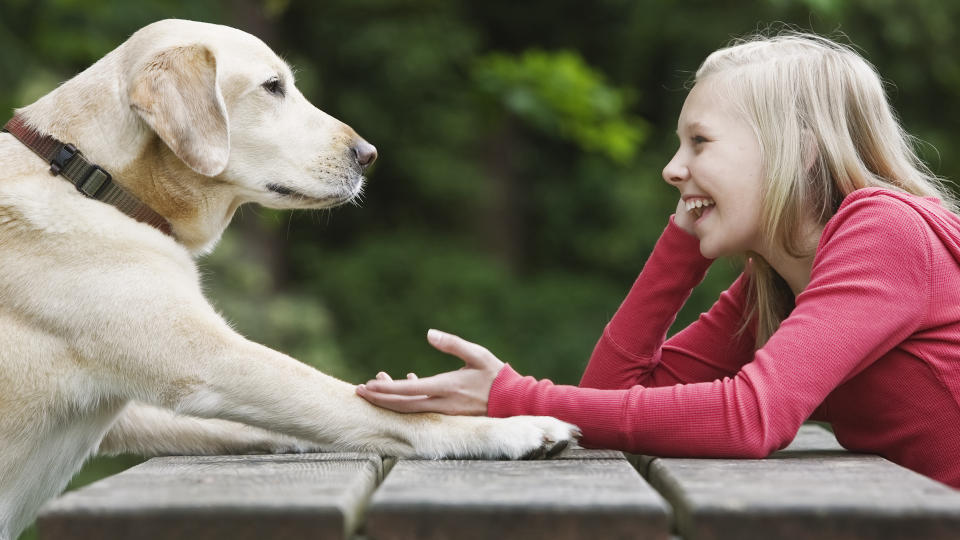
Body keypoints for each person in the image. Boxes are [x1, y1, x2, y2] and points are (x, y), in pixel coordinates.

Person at [356, 31, 960, 488]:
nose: (672, 168)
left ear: (796, 151)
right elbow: (612, 396)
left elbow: (750, 418)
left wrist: (512, 399)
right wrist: (681, 245)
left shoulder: (886, 230)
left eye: (699, 142)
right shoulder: (775, 282)